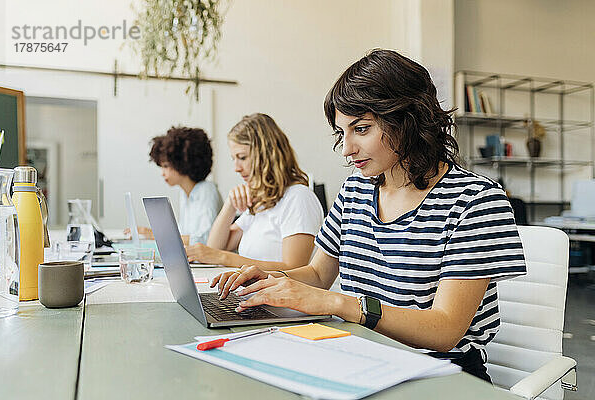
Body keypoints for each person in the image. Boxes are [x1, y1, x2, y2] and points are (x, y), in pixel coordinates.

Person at [211, 50, 527, 382]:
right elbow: (319, 274)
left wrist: (338, 304)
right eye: (341, 133)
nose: (347, 149)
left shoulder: (475, 200)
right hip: (357, 356)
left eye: (361, 129)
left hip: (439, 375)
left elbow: (444, 329)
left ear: (408, 119)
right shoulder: (355, 191)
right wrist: (270, 279)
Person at [185, 113, 324, 270]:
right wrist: (230, 205)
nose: (236, 168)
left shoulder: (298, 198)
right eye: (234, 159)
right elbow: (215, 247)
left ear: (267, 155)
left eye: (242, 157)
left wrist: (223, 258)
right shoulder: (263, 201)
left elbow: (294, 269)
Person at [132, 126, 222, 245]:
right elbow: (182, 234)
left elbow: (204, 240)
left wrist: (154, 235)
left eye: (166, 166)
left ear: (182, 163)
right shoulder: (185, 193)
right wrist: (151, 233)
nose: (162, 173)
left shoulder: (207, 191)